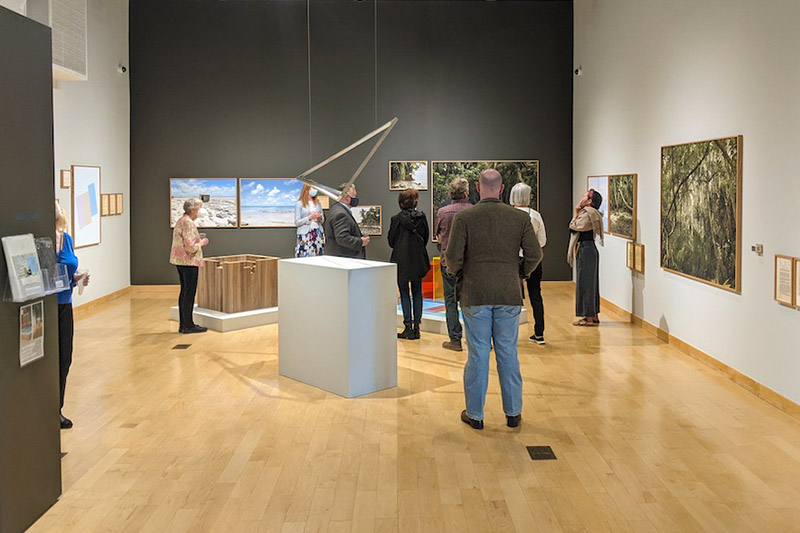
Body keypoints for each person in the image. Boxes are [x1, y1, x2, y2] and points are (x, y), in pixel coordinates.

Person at [446, 169, 542, 430]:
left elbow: (453, 258)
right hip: (508, 293)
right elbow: (535, 254)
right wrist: (519, 272)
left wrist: (457, 271)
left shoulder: (465, 218)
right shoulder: (518, 218)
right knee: (508, 352)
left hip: (475, 293)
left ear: (478, 187)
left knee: (477, 354)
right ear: (501, 189)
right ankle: (513, 413)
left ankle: (476, 415)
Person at [55, 199, 90, 429]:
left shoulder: (66, 238)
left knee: (65, 357)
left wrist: (77, 277)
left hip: (65, 303)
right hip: (45, 305)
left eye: (57, 203)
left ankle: (56, 408)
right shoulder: (41, 240)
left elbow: (69, 269)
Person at [434, 177, 472, 352]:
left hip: (448, 262)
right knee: (471, 302)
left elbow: (438, 237)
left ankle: (455, 340)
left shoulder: (442, 212)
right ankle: (475, 339)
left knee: (450, 301)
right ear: (466, 193)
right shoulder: (473, 211)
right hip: (469, 264)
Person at [388, 189, 430, 340]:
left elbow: (391, 241)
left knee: (404, 293)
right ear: (415, 202)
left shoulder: (395, 219)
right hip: (417, 259)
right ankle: (417, 327)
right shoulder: (422, 218)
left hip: (401, 260)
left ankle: (407, 326)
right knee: (418, 292)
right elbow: (425, 238)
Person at [510, 183, 547, 345]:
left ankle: (508, 335)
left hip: (513, 260)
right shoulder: (536, 215)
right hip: (534, 259)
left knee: (511, 299)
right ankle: (539, 333)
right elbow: (542, 241)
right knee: (535, 295)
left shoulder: (509, 214)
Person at [170, 198, 209, 334]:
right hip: (188, 261)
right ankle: (187, 325)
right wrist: (202, 242)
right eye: (200, 207)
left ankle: (186, 323)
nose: (201, 210)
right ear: (193, 209)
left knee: (185, 292)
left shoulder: (182, 220)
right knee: (189, 293)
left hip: (181, 261)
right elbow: (191, 247)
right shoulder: (188, 223)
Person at [567, 189, 604, 326]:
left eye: (584, 196)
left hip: (586, 250)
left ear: (589, 201)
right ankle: (593, 315)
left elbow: (574, 227)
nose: (581, 197)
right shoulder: (592, 213)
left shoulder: (588, 214)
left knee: (585, 283)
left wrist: (576, 212)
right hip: (589, 249)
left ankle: (588, 318)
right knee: (591, 283)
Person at [323, 183, 369, 258]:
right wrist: (361, 242)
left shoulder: (336, 209)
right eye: (354, 196)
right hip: (345, 258)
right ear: (347, 197)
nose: (356, 199)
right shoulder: (341, 214)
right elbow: (342, 238)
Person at [294, 184, 325, 257]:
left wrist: (320, 217)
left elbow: (323, 220)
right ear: (307, 189)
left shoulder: (318, 203)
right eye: (313, 188)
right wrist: (309, 218)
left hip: (318, 233)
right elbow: (297, 222)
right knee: (305, 255)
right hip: (305, 234)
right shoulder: (299, 204)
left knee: (318, 255)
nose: (315, 190)